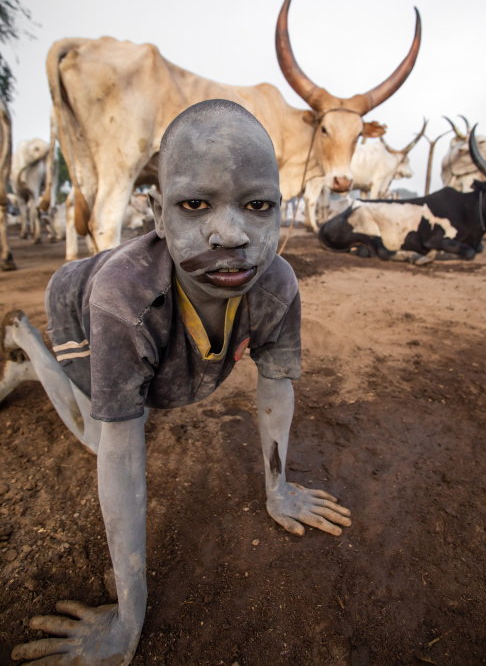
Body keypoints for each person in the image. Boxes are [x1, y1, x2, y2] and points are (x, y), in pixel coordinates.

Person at [1, 99, 351, 665]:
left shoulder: (277, 284)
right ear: (159, 216)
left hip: (153, 308)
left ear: (280, 211)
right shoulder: (123, 301)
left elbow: (276, 388)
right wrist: (127, 621)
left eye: (258, 205)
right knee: (102, 432)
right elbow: (119, 453)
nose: (232, 234)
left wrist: (278, 489)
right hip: (79, 308)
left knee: (159, 392)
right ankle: (30, 350)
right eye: (195, 204)